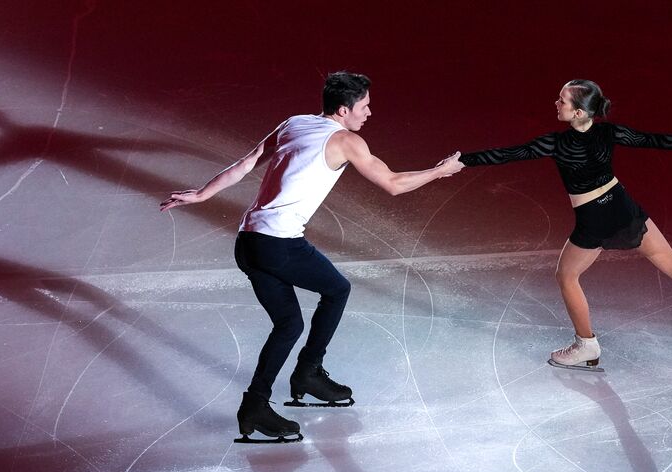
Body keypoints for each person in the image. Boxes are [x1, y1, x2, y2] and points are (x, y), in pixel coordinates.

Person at [161, 72, 463, 442]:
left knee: (289, 325)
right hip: (279, 245)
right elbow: (393, 184)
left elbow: (248, 161)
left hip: (250, 241)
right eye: (364, 106)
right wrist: (441, 171)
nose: (369, 112)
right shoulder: (347, 141)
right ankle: (307, 373)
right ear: (343, 109)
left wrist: (203, 194)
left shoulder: (295, 123)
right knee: (336, 290)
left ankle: (257, 404)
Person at [459, 79, 672, 370]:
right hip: (623, 207)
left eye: (561, 100)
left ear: (578, 113)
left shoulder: (556, 143)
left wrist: (461, 162)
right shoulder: (609, 132)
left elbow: (507, 154)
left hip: (594, 218)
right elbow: (657, 140)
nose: (556, 103)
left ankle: (586, 346)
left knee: (566, 275)